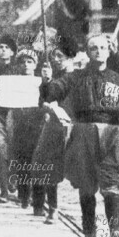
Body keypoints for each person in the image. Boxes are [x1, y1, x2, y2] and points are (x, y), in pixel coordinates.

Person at [42, 34, 119, 237]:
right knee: (87, 184)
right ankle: (89, 230)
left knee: (111, 184)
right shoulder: (76, 78)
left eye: (102, 47)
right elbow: (53, 93)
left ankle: (115, 232)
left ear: (109, 51)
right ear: (88, 52)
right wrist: (47, 81)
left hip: (111, 134)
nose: (98, 51)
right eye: (93, 48)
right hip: (83, 133)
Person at [33, 39, 77, 224]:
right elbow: (43, 100)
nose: (57, 59)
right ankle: (52, 207)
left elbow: (66, 94)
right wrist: (46, 85)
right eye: (55, 56)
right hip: (55, 125)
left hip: (73, 125)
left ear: (70, 58)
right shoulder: (55, 77)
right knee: (47, 163)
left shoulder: (75, 77)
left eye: (61, 56)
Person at [8, 49, 44, 212]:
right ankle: (23, 195)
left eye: (29, 62)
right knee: (22, 162)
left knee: (38, 163)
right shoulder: (13, 82)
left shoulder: (41, 81)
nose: (26, 65)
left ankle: (38, 201)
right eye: (22, 62)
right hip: (20, 125)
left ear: (35, 65)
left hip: (38, 125)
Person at [0, 35, 20, 203]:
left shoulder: (18, 70)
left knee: (14, 149)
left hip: (14, 114)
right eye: (0, 47)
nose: (3, 50)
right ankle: (3, 192)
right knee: (2, 151)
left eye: (7, 48)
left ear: (13, 52)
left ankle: (13, 177)